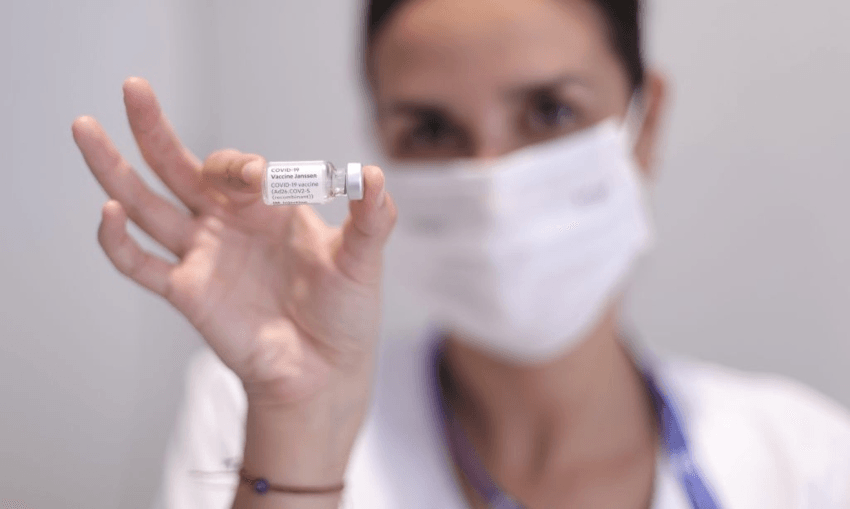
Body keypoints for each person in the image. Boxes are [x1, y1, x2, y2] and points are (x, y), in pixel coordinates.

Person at [72, 0, 850, 507]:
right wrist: (297, 423)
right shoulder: (249, 415)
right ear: (383, 145)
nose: (491, 180)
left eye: (550, 110)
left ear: (645, 125)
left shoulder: (807, 460)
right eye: (433, 130)